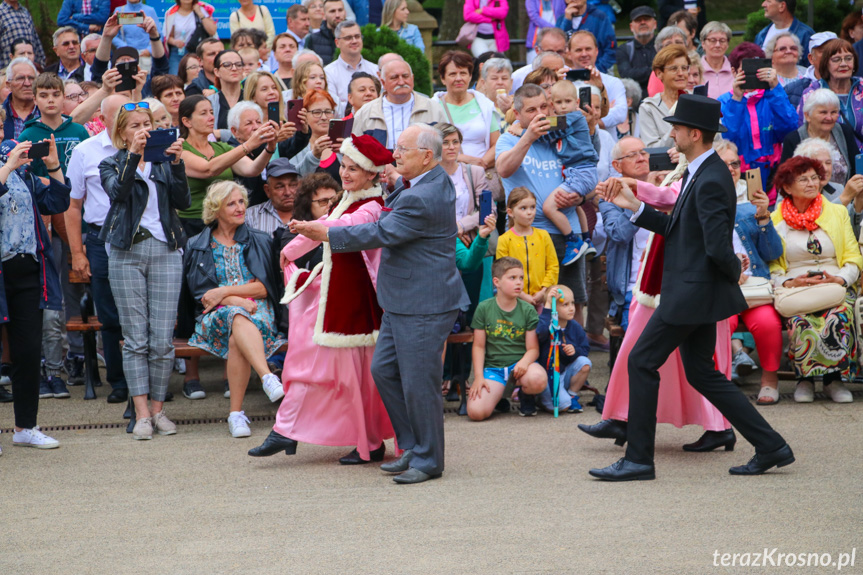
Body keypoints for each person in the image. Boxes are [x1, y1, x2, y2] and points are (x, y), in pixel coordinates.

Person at [591, 94, 793, 481]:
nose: (672, 133)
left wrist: (733, 269)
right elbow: (679, 229)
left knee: (641, 361)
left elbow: (718, 245)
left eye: (677, 127)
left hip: (690, 293)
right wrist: (634, 205)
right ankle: (771, 446)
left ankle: (638, 460)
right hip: (692, 290)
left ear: (694, 133)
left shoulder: (711, 176)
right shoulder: (701, 169)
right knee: (703, 373)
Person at [290, 125, 469, 483]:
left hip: (423, 303)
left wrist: (326, 232)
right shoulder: (424, 182)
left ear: (427, 157)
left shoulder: (425, 194)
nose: (394, 154)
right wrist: (391, 184)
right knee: (385, 371)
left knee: (420, 383)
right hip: (405, 301)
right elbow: (393, 214)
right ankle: (412, 447)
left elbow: (381, 232)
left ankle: (429, 459)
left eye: (402, 149)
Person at [250, 135, 396, 464]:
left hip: (358, 305)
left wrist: (295, 240)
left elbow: (337, 227)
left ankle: (365, 442)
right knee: (326, 371)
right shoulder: (350, 198)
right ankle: (291, 430)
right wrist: (291, 250)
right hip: (340, 300)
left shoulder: (371, 206)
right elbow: (328, 224)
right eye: (343, 166)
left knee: (356, 379)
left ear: (372, 174)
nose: (344, 173)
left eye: (353, 169)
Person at [98, 101, 189, 440]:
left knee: (162, 340)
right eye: (134, 125)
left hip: (166, 250)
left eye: (147, 123)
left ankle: (158, 408)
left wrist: (177, 164)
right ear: (122, 132)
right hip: (127, 250)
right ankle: (141, 415)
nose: (142, 130)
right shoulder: (112, 162)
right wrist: (135, 155)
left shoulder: (164, 162)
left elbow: (182, 201)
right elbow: (118, 193)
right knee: (136, 339)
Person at [184, 181, 287, 437]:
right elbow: (202, 295)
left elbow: (265, 289)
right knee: (236, 315)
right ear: (216, 210)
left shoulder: (260, 240)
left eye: (241, 201)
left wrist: (224, 291)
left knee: (235, 337)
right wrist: (238, 298)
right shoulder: (198, 244)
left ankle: (235, 415)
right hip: (215, 316)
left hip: (258, 312)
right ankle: (267, 377)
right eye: (232, 203)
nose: (240, 207)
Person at [769, 156, 862, 404]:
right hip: (796, 284)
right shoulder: (776, 220)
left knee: (838, 313)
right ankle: (804, 379)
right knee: (801, 319)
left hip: (834, 281)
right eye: (803, 179)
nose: (812, 183)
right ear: (787, 187)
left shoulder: (836, 212)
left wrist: (840, 279)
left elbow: (853, 256)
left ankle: (834, 380)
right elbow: (772, 265)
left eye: (814, 178)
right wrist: (789, 283)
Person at [497, 84, 590, 326]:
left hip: (567, 232)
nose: (540, 114)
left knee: (571, 301)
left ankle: (573, 356)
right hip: (529, 235)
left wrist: (580, 197)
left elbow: (587, 169)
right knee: (533, 303)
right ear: (517, 114)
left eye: (543, 107)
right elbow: (504, 169)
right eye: (531, 110)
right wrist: (528, 136)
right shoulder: (509, 139)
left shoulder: (561, 133)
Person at [0, 132, 69, 448]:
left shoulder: (23, 171)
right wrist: (7, 166)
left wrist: (53, 168)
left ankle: (25, 427)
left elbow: (57, 202)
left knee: (27, 351)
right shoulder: (10, 165)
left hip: (27, 269)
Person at [65, 94, 132, 405]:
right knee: (109, 315)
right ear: (102, 119)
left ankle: (146, 381)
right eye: (118, 113)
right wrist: (77, 252)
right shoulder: (84, 151)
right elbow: (73, 205)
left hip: (141, 238)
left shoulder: (147, 148)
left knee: (140, 315)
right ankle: (119, 382)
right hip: (101, 239)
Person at [710, 140, 786, 405]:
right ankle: (719, 382)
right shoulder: (703, 200)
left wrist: (764, 217)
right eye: (724, 164)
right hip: (719, 286)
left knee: (767, 322)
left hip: (754, 285)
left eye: (735, 164)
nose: (731, 169)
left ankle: (770, 381)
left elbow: (772, 253)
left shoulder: (751, 203)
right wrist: (728, 271)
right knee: (720, 323)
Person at [467, 256, 546, 421]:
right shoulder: (484, 308)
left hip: (519, 369)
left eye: (521, 278)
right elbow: (478, 346)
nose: (519, 282)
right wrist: (479, 377)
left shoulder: (528, 310)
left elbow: (533, 349)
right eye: (512, 278)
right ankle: (498, 396)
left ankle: (525, 395)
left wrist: (524, 362)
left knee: (538, 379)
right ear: (497, 282)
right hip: (493, 370)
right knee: (476, 413)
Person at [719, 43, 797, 204]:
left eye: (758, 70)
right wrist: (737, 100)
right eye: (746, 71)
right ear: (733, 72)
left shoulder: (773, 96)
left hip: (774, 177)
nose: (753, 76)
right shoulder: (724, 102)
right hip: (739, 177)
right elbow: (726, 138)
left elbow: (791, 129)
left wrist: (775, 89)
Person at [598, 136, 652, 332]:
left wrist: (656, 190)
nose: (640, 158)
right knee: (640, 339)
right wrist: (638, 200)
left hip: (671, 287)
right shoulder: (610, 197)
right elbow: (619, 234)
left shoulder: (667, 189)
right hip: (633, 289)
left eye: (643, 153)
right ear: (617, 166)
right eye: (632, 155)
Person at [352, 59, 444, 149]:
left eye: (405, 76)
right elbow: (355, 151)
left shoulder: (433, 109)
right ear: (383, 82)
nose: (401, 82)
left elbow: (444, 146)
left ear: (412, 78)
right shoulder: (365, 113)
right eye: (394, 77)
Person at [433, 51, 499, 174]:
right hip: (446, 175)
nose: (458, 78)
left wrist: (480, 165)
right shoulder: (434, 107)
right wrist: (463, 160)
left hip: (483, 174)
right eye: (452, 74)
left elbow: (496, 144)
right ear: (443, 78)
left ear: (469, 76)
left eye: (463, 73)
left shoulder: (484, 105)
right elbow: (430, 149)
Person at [781, 88, 859, 187]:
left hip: (846, 198)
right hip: (808, 200)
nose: (829, 117)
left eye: (833, 112)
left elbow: (856, 168)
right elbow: (785, 179)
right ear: (807, 115)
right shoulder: (794, 140)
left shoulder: (844, 132)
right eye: (823, 112)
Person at [496, 187, 559, 307]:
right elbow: (503, 272)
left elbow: (553, 266)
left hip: (542, 300)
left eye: (533, 207)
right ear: (510, 212)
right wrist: (522, 295)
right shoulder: (504, 240)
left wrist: (543, 291)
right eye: (523, 208)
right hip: (514, 301)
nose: (530, 212)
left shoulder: (543, 236)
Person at [535, 284, 591, 414]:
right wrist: (548, 306)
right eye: (565, 305)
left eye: (572, 303)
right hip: (548, 375)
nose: (571, 308)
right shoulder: (545, 323)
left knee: (585, 362)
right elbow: (540, 333)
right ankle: (541, 398)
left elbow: (585, 349)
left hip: (565, 373)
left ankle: (572, 394)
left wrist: (575, 351)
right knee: (563, 406)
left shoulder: (575, 327)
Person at [799, 39, 863, 147]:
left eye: (848, 59)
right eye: (836, 60)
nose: (843, 64)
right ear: (826, 64)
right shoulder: (812, 94)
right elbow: (803, 133)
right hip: (828, 158)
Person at [566, 31, 627, 135]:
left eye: (588, 49)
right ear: (569, 54)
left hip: (606, 145)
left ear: (596, 51)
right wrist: (602, 112)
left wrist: (580, 120)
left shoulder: (613, 82)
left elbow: (620, 114)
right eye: (578, 50)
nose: (584, 54)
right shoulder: (563, 83)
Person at [639, 45, 689, 148]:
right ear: (659, 73)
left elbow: (715, 141)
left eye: (684, 68)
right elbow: (652, 149)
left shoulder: (698, 101)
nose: (681, 73)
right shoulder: (648, 108)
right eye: (674, 69)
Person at [324, 21, 377, 104]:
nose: (354, 41)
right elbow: (333, 106)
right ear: (337, 43)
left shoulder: (375, 69)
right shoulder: (328, 73)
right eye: (348, 38)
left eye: (357, 36)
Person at [557, 0, 615, 74]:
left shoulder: (600, 17)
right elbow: (557, 46)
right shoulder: (562, 19)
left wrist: (598, 69)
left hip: (598, 72)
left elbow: (610, 49)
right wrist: (567, 21)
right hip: (568, 74)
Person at [245, 158, 300, 234]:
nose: (287, 192)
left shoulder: (312, 212)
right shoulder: (250, 217)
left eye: (293, 185)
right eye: (280, 187)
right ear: (267, 190)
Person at [163, 0, 217, 76]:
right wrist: (175, 42)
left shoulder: (201, 9)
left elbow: (212, 31)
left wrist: (200, 13)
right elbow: (168, 37)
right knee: (174, 78)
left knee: (199, 78)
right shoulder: (172, 12)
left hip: (197, 51)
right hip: (178, 52)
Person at [616, 5, 658, 98]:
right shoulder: (623, 49)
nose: (643, 22)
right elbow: (626, 75)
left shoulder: (663, 47)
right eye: (638, 20)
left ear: (655, 24)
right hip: (635, 101)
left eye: (646, 19)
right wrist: (654, 70)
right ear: (631, 27)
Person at [755, 0, 813, 66]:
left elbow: (812, 70)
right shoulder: (761, 34)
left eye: (768, 1)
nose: (763, 4)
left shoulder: (806, 34)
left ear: (782, 6)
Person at [512, 27, 568, 92]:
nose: (555, 55)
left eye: (559, 51)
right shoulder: (518, 77)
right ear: (537, 50)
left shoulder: (571, 73)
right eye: (549, 51)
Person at [0, 0, 47, 68]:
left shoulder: (25, 12)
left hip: (31, 68)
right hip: (8, 68)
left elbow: (35, 39)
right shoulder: (1, 12)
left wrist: (41, 62)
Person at [645, 26, 688, 97]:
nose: (674, 46)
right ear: (659, 50)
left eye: (678, 42)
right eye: (668, 44)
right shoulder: (658, 73)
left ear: (686, 46)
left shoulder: (695, 66)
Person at [304, 0, 345, 66]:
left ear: (345, 12)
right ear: (324, 15)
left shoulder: (356, 37)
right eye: (332, 11)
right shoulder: (312, 39)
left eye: (340, 10)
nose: (337, 15)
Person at [699, 22, 733, 98]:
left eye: (722, 40)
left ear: (727, 44)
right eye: (712, 40)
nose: (717, 45)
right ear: (703, 43)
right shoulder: (695, 71)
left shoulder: (735, 70)